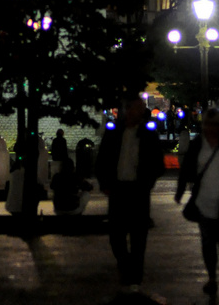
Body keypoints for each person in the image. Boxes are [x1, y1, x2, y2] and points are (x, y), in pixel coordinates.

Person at [95, 96, 165, 294]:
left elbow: (158, 164)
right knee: (116, 236)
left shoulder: (148, 135)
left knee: (138, 237)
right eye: (137, 108)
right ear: (127, 110)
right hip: (118, 190)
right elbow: (102, 161)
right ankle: (126, 267)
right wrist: (105, 184)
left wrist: (147, 183)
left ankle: (135, 280)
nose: (141, 112)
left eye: (142, 109)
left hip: (138, 191)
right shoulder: (114, 133)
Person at [175, 107, 219, 298]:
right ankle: (213, 277)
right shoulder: (198, 144)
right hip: (204, 201)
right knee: (208, 243)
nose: (211, 128)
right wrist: (180, 191)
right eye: (208, 124)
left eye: (215, 125)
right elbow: (188, 167)